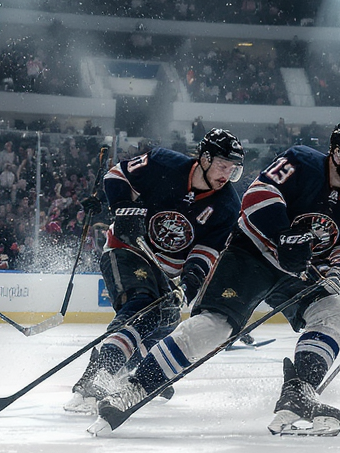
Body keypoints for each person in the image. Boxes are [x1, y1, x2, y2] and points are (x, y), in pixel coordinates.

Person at [88, 120, 340, 437]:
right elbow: (258, 195)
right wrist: (282, 236)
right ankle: (133, 388)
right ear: (337, 153)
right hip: (251, 254)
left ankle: (301, 389)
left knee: (337, 310)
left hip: (301, 269)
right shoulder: (300, 162)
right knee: (213, 327)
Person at [63, 130, 244, 414]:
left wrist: (188, 286)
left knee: (162, 325)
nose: (227, 174)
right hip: (127, 249)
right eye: (223, 165)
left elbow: (204, 254)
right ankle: (98, 375)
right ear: (205, 158)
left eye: (233, 169)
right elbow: (116, 176)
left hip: (166, 274)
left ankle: (124, 372)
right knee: (141, 307)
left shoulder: (227, 205)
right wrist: (123, 209)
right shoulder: (163, 164)